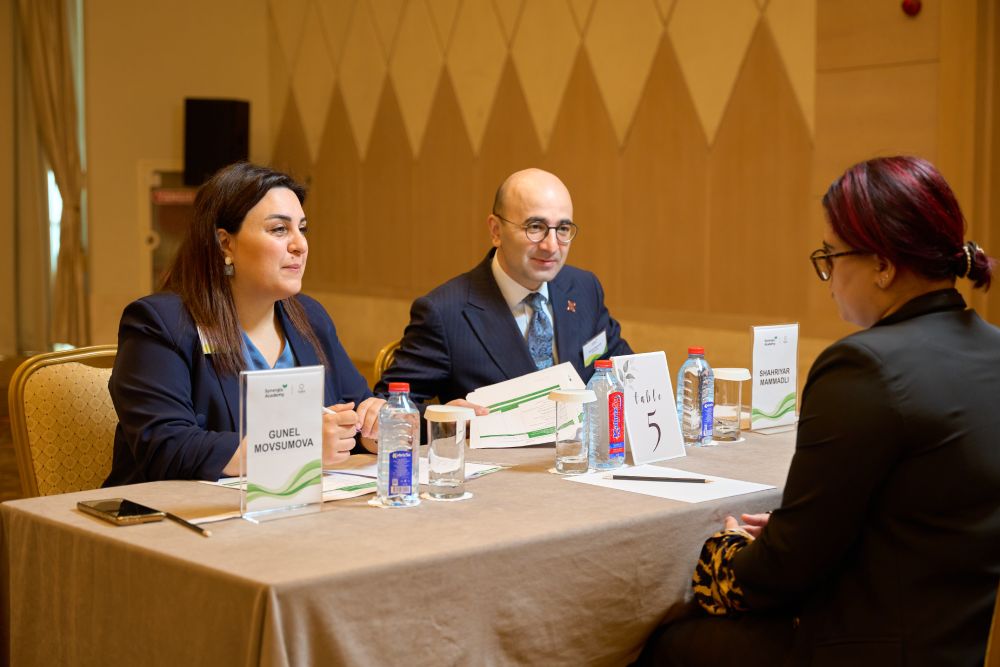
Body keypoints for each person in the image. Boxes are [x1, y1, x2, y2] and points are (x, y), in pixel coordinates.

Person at [639, 156, 1000, 666]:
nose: (827, 277)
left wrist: (726, 552)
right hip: (954, 646)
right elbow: (919, 510)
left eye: (831, 256)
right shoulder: (993, 350)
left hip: (857, 650)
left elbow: (783, 571)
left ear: (882, 265)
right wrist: (794, 529)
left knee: (660, 644)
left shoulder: (863, 366)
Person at [104, 162, 384, 486]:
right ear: (225, 243)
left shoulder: (310, 317)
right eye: (279, 230)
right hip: (174, 512)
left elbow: (354, 413)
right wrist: (299, 446)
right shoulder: (161, 323)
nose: (300, 245)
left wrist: (373, 428)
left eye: (302, 229)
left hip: (297, 505)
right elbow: (167, 448)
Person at [376, 168, 632, 408]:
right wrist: (446, 419)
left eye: (563, 229)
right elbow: (388, 405)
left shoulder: (584, 289)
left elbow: (626, 370)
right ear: (496, 231)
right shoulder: (444, 313)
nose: (552, 246)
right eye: (535, 227)